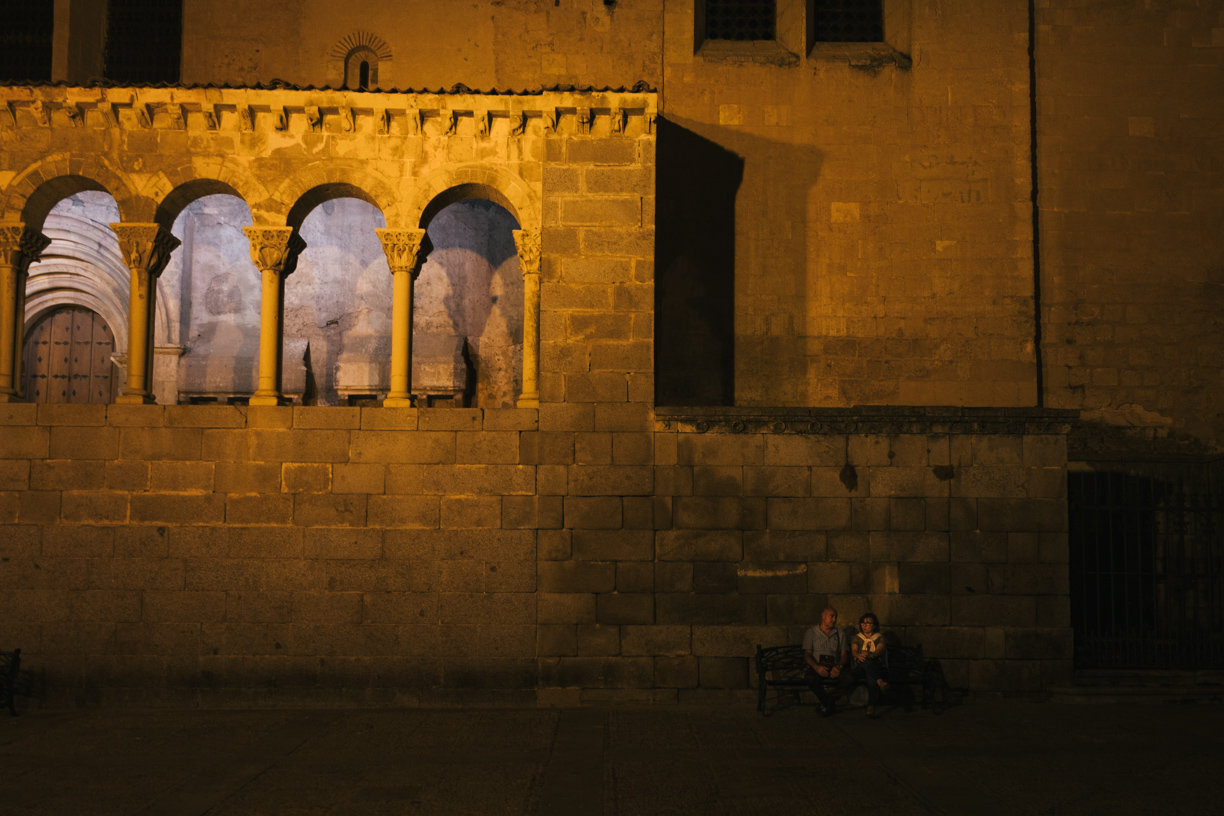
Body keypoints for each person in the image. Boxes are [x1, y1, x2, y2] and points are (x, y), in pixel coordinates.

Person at [802, 606, 854, 716]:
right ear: (823, 616)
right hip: (818, 665)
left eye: (836, 617)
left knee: (849, 678)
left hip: (834, 665)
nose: (834, 620)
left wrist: (839, 666)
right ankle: (829, 702)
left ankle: (828, 701)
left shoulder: (840, 634)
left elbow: (844, 655)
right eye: (832, 616)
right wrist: (816, 667)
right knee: (810, 678)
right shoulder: (811, 633)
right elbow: (807, 654)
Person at [850, 612, 890, 718]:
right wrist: (859, 655)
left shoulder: (880, 638)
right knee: (866, 664)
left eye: (868, 623)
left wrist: (869, 655)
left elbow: (879, 651)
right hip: (859, 668)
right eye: (863, 623)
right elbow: (854, 651)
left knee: (870, 670)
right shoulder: (856, 638)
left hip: (875, 666)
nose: (865, 625)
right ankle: (879, 683)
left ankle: (871, 707)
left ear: (874, 625)